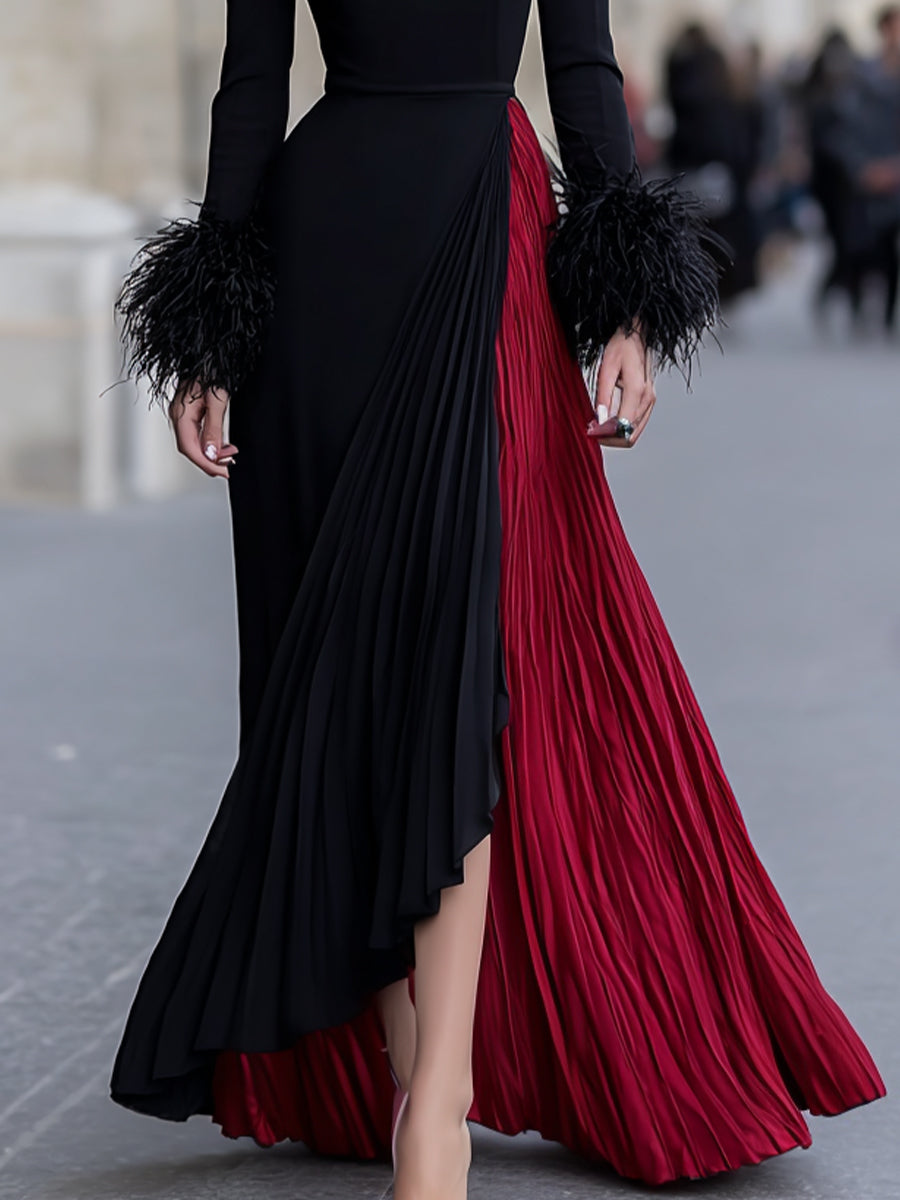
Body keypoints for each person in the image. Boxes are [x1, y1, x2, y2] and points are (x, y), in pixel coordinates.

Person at [110, 1, 885, 1195]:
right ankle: (410, 1059)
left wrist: (627, 308)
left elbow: (584, 64)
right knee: (335, 674)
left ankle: (445, 1099)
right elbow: (248, 84)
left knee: (453, 650)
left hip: (485, 256)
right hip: (319, 278)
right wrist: (210, 338)